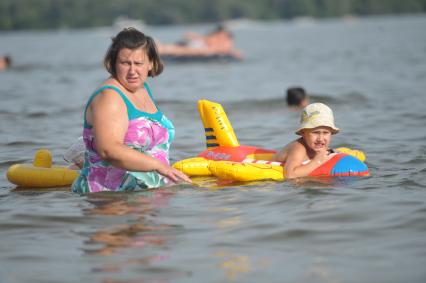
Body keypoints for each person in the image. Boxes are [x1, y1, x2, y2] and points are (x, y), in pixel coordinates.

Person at [72, 27, 191, 193]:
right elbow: (109, 150)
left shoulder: (142, 89)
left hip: (144, 195)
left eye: (138, 63)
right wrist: (159, 167)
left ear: (150, 63)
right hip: (110, 197)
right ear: (113, 63)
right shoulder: (110, 97)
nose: (132, 71)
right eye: (125, 63)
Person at [273, 103, 339, 179]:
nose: (320, 138)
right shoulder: (298, 149)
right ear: (303, 133)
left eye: (325, 133)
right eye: (315, 132)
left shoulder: (320, 147)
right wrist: (317, 161)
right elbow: (290, 175)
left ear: (331, 133)